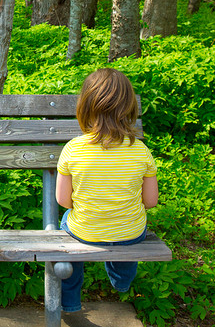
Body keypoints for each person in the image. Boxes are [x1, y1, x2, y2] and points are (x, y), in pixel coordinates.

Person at [55, 68, 159, 313]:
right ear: (129, 108)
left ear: (85, 107)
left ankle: (69, 302)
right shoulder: (141, 151)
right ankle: (121, 281)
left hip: (84, 232)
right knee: (128, 228)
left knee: (66, 225)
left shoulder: (73, 149)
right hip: (130, 232)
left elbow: (63, 201)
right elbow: (151, 201)